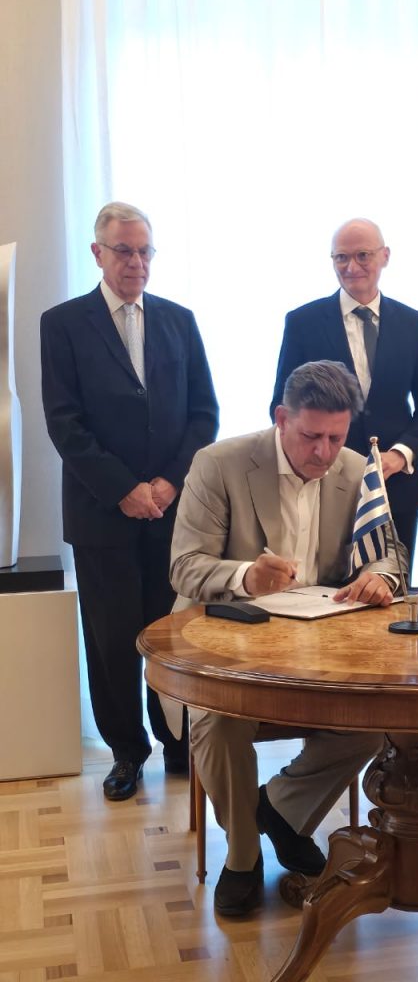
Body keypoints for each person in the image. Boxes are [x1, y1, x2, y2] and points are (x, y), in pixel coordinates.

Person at [170, 360, 404, 916]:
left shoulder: (357, 470)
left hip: (321, 644)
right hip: (227, 640)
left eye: (336, 438)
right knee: (221, 722)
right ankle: (243, 857)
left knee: (378, 719)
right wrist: (245, 577)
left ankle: (278, 810)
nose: (324, 453)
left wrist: (383, 577)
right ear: (281, 418)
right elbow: (184, 567)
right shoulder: (219, 464)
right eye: (311, 436)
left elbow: (390, 551)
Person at [41, 201, 218, 802]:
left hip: (172, 513)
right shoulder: (63, 324)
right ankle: (126, 752)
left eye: (145, 251)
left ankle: (177, 743)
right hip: (102, 516)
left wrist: (169, 483)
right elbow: (64, 423)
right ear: (99, 253)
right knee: (113, 641)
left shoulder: (179, 320)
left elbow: (204, 414)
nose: (136, 262)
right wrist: (124, 489)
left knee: (172, 635)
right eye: (124, 251)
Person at [269, 218, 418, 566]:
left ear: (385, 256)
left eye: (363, 255)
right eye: (341, 257)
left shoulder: (413, 323)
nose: (352, 267)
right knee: (328, 584)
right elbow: (282, 405)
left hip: (395, 487)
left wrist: (400, 455)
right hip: (324, 483)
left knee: (391, 586)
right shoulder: (303, 322)